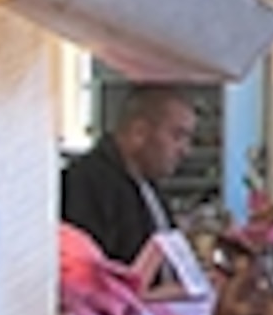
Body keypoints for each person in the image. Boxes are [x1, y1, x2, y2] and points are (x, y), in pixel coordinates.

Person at [61, 85, 197, 265]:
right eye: (177, 136)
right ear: (138, 133)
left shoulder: (149, 185)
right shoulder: (85, 186)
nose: (185, 151)